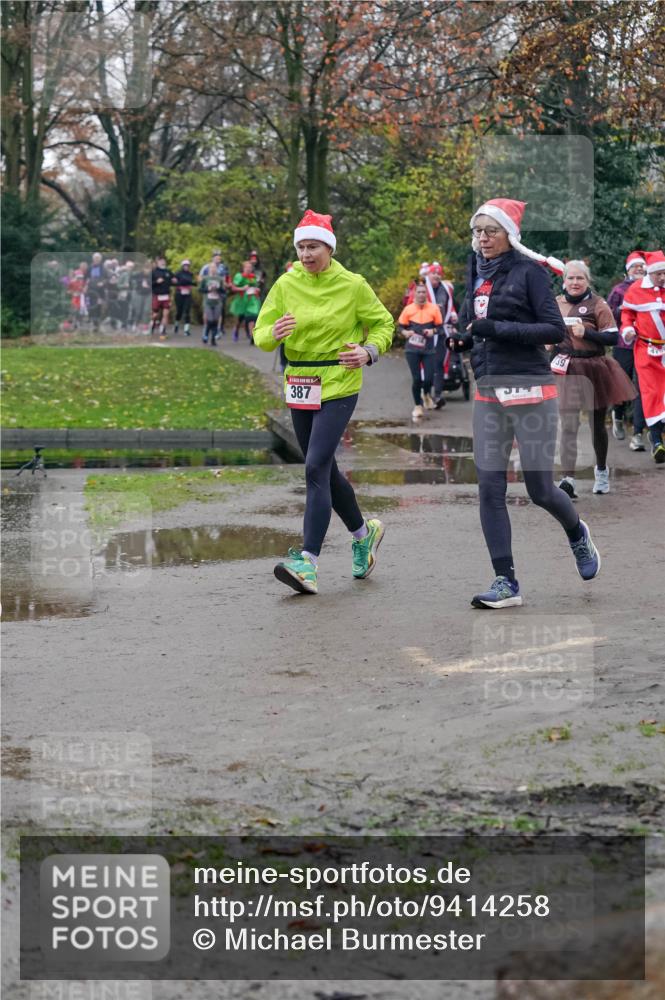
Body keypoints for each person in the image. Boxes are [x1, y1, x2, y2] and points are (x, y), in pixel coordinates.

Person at [451, 198, 601, 609]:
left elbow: (553, 330)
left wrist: (495, 328)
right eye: (477, 231)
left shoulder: (529, 274)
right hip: (488, 391)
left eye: (491, 231)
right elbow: (473, 319)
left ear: (509, 236)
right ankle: (506, 582)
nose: (482, 238)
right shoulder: (476, 270)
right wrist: (463, 337)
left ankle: (576, 533)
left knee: (539, 489)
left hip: (531, 391)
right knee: (489, 488)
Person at [253, 209, 394, 595]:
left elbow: (384, 324)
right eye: (300, 247)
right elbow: (261, 333)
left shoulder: (352, 285)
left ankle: (308, 562)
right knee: (324, 469)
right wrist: (273, 333)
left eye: (312, 246)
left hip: (339, 381)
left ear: (328, 247)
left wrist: (368, 351)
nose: (305, 254)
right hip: (299, 380)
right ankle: (364, 535)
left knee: (314, 464)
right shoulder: (285, 284)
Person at [553, 260, 635, 497]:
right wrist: (548, 341)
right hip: (565, 367)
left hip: (593, 367)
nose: (575, 282)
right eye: (571, 278)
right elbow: (547, 330)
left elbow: (612, 336)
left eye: (580, 278)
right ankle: (568, 479)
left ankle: (601, 471)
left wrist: (586, 332)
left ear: (588, 281)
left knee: (596, 424)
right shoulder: (556, 303)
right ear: (564, 281)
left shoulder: (598, 304)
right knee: (568, 424)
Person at [620, 249, 665, 464]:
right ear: (650, 273)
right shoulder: (636, 290)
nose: (663, 277)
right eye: (659, 273)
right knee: (650, 393)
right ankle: (657, 442)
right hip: (646, 351)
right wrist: (627, 329)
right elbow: (627, 314)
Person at [607, 251, 648, 449]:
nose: (639, 269)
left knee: (642, 388)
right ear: (628, 270)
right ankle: (618, 415)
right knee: (623, 383)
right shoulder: (619, 291)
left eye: (642, 266)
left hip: (647, 345)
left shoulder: (652, 289)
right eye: (635, 267)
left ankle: (638, 433)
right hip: (623, 345)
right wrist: (624, 311)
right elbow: (608, 316)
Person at [397, 279, 443, 420]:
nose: (421, 294)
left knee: (429, 378)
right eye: (419, 292)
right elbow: (400, 327)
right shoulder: (408, 309)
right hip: (412, 349)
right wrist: (405, 333)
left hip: (428, 349)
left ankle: (427, 394)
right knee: (417, 379)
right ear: (414, 293)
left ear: (427, 294)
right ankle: (418, 406)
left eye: (424, 292)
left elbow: (440, 328)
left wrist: (432, 331)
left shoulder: (434, 308)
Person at [428, 262, 458, 407]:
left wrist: (453, 314)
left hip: (442, 331)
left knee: (439, 363)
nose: (437, 276)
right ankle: (425, 395)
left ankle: (437, 396)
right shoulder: (421, 288)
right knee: (427, 365)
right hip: (425, 332)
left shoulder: (446, 288)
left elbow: (451, 305)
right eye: (434, 273)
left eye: (439, 274)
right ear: (428, 274)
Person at [229, 260, 262, 341]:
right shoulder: (239, 276)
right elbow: (233, 288)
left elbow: (255, 286)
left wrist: (257, 289)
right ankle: (236, 330)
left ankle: (251, 335)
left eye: (250, 267)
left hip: (251, 300)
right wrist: (242, 288)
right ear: (243, 268)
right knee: (240, 319)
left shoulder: (253, 277)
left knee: (252, 317)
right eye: (247, 267)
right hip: (241, 301)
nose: (248, 269)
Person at [199, 251, 229, 336]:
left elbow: (226, 278)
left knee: (219, 312)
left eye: (219, 257)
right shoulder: (206, 267)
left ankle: (217, 329)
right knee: (207, 313)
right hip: (208, 295)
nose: (218, 259)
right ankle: (206, 327)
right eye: (216, 257)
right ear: (213, 258)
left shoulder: (223, 267)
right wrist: (207, 285)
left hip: (219, 294)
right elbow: (200, 278)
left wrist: (224, 285)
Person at [199, 268, 224, 346]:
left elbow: (223, 291)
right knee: (210, 320)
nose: (213, 270)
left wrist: (218, 289)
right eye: (212, 269)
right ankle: (206, 334)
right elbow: (200, 289)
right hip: (208, 302)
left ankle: (213, 339)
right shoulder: (205, 279)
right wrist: (208, 289)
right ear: (209, 270)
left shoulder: (219, 279)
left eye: (214, 269)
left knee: (215, 321)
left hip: (217, 302)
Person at [151, 255, 174, 339]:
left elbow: (174, 280)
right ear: (157, 262)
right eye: (161, 261)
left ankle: (162, 330)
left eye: (164, 261)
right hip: (157, 295)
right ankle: (152, 324)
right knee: (155, 315)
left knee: (166, 314)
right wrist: (156, 282)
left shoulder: (168, 271)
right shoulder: (154, 272)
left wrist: (175, 280)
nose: (162, 262)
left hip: (166, 295)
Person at [173, 259, 195, 336]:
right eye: (185, 265)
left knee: (187, 311)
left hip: (187, 294)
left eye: (188, 265)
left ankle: (186, 330)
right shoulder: (178, 273)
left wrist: (192, 284)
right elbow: (175, 282)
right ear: (182, 266)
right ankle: (176, 324)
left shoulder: (191, 274)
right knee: (179, 311)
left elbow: (193, 282)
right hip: (179, 294)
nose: (186, 267)